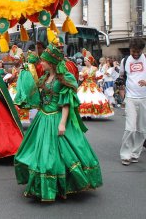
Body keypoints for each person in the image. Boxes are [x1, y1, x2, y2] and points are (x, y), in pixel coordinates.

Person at [14, 43, 103, 201]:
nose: (41, 64)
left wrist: (62, 123)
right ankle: (46, 184)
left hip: (56, 118)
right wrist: (26, 74)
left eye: (43, 61)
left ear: (51, 63)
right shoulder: (45, 77)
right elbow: (34, 94)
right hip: (43, 117)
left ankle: (59, 186)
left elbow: (66, 103)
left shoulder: (64, 78)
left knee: (57, 155)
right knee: (34, 152)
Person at [119, 38, 146, 166]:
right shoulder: (124, 61)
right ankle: (125, 155)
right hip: (130, 98)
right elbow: (121, 77)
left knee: (141, 129)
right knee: (130, 128)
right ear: (130, 49)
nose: (135, 54)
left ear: (142, 50)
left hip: (144, 98)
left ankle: (135, 153)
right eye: (133, 51)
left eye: (138, 51)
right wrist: (121, 90)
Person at [77, 49, 114, 119]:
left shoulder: (95, 68)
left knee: (93, 99)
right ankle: (84, 114)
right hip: (84, 86)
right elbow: (81, 79)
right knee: (84, 98)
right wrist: (81, 77)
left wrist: (100, 85)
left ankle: (90, 114)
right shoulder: (83, 69)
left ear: (89, 61)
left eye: (86, 61)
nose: (85, 62)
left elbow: (99, 77)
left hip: (92, 85)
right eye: (84, 61)